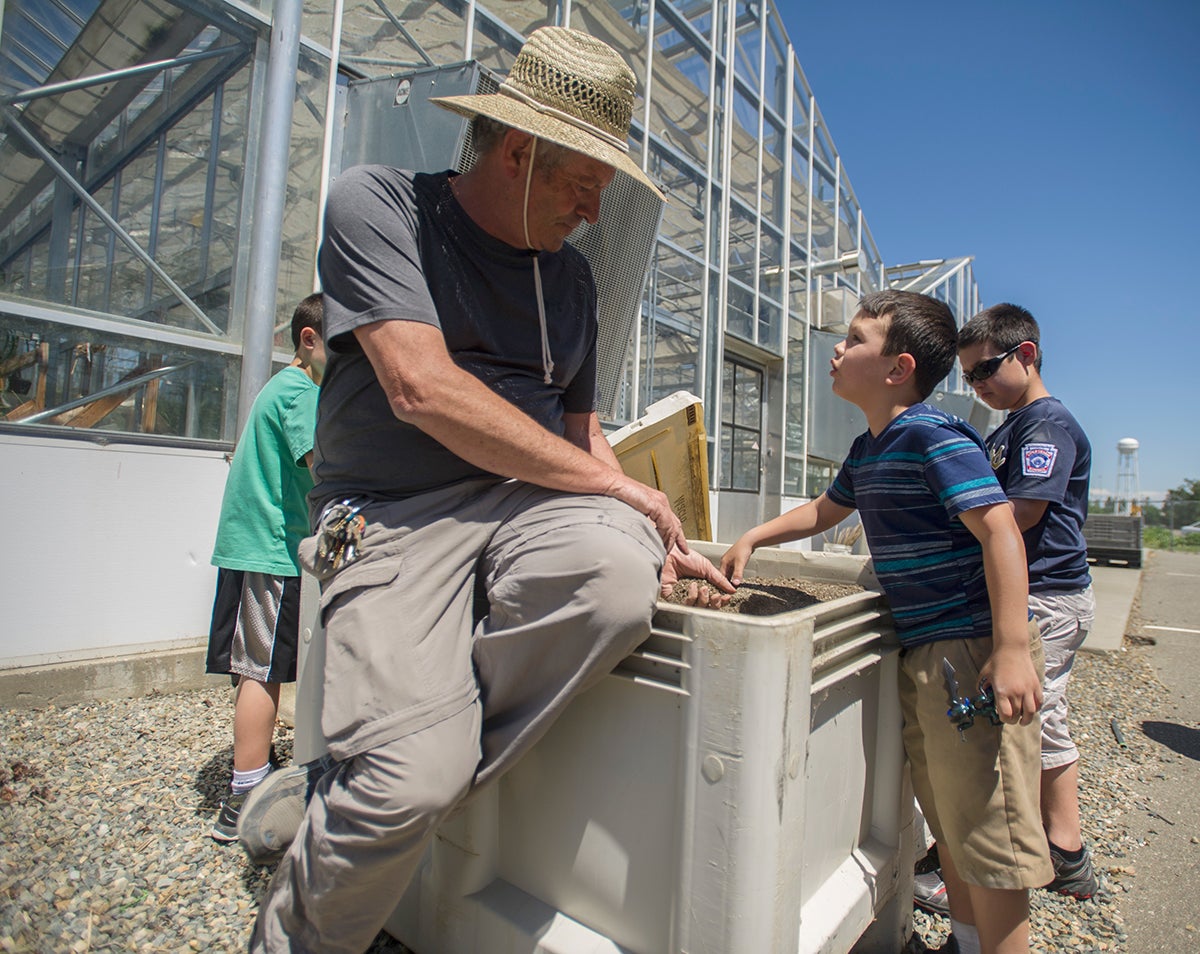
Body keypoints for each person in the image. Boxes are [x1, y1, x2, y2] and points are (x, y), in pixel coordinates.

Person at [240, 26, 733, 952]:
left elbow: (582, 431)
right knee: (408, 782)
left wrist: (647, 516)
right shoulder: (379, 206)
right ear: (519, 150)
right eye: (584, 185)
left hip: (522, 508)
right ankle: (349, 838)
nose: (594, 213)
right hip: (389, 516)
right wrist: (605, 484)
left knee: (618, 579)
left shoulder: (575, 282)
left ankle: (372, 765)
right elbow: (418, 388)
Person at [721, 290, 1051, 954]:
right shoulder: (871, 448)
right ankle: (963, 941)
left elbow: (1000, 534)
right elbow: (824, 509)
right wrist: (753, 537)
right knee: (950, 824)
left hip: (971, 649)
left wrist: (1012, 647)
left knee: (990, 837)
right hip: (929, 652)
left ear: (898, 367)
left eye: (853, 340)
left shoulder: (933, 436)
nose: (836, 350)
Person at [958, 303, 1098, 899]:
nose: (978, 384)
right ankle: (1058, 845)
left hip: (1048, 592)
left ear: (1027, 353)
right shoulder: (1011, 426)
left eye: (986, 369)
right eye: (968, 377)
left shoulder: (1046, 424)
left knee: (1029, 715)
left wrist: (950, 526)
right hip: (1035, 590)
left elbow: (1021, 512)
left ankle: (1061, 848)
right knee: (1033, 713)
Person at [205, 293, 325, 843]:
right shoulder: (300, 391)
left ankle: (253, 773)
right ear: (309, 340)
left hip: (258, 546)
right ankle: (244, 797)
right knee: (262, 669)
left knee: (260, 665)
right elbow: (323, 465)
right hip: (272, 549)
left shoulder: (283, 388)